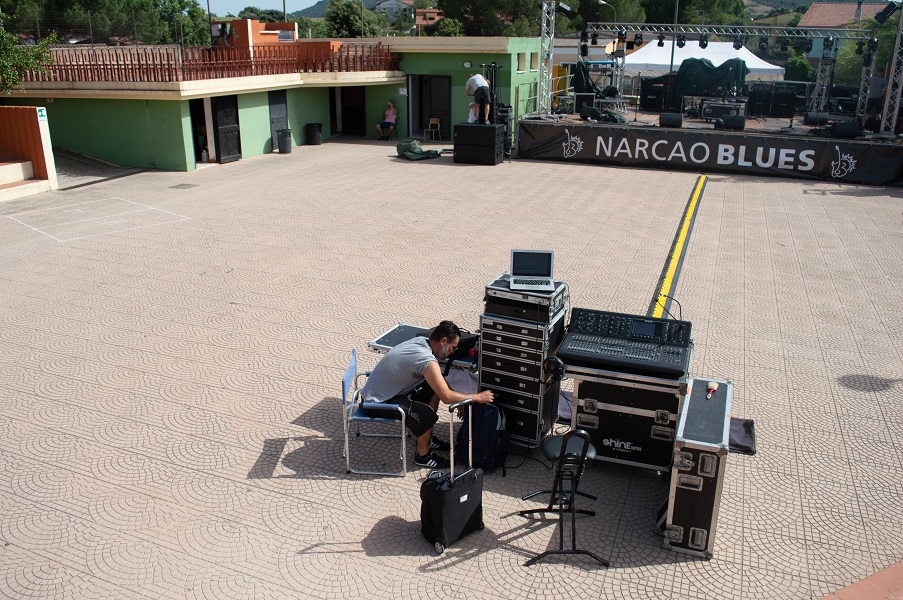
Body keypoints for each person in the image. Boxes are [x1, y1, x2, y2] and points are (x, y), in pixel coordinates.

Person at [360, 320, 494, 468]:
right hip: (376, 402)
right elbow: (447, 397)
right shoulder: (425, 358)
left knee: (432, 389)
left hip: (387, 392)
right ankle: (422, 456)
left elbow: (440, 384)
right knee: (424, 415)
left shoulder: (422, 341)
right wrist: (477, 397)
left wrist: (461, 399)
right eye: (453, 347)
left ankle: (427, 439)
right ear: (443, 342)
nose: (453, 352)